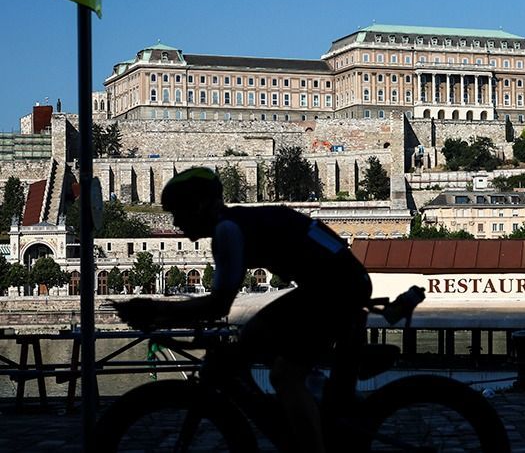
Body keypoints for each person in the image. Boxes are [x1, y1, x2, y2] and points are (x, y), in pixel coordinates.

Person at [117, 167, 371, 453]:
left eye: (178, 211)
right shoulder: (233, 223)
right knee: (254, 337)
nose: (175, 221)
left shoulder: (227, 230)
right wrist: (164, 313)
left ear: (198, 206)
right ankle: (314, 409)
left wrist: (156, 310)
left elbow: (219, 304)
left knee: (283, 375)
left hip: (335, 287)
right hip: (333, 282)